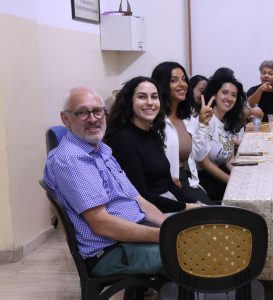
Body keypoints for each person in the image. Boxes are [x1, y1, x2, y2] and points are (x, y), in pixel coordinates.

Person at [44, 86, 166, 277]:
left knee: (201, 231)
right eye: (82, 113)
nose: (93, 119)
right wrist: (164, 236)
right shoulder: (71, 159)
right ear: (66, 119)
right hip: (110, 250)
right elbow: (101, 223)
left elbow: (136, 198)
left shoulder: (101, 149)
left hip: (133, 234)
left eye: (98, 111)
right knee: (190, 252)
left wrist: (168, 225)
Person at [105, 76, 203, 213]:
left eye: (154, 97)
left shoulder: (153, 134)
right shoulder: (122, 140)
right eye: (142, 97)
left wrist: (195, 203)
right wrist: (186, 207)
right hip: (148, 212)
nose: (150, 102)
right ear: (129, 102)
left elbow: (169, 184)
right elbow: (141, 196)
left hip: (167, 203)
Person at [151, 61, 214, 205]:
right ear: (162, 85)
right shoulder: (155, 120)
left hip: (188, 180)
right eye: (174, 80)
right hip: (167, 185)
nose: (182, 84)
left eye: (184, 79)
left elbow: (199, 154)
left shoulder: (186, 118)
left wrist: (203, 124)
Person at [198, 70, 247, 201]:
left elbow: (228, 158)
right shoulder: (206, 120)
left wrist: (241, 175)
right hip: (204, 181)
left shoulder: (225, 122)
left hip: (220, 176)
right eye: (224, 93)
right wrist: (232, 181)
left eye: (234, 95)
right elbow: (204, 163)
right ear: (215, 93)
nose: (229, 98)